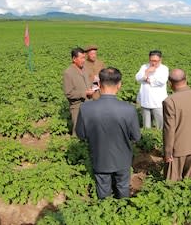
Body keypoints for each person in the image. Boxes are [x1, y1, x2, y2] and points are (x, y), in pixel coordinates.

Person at [76, 67, 140, 199]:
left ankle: (105, 211)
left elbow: (81, 134)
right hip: (122, 159)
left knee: (103, 187)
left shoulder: (85, 108)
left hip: (100, 157)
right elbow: (136, 136)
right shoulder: (129, 109)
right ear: (119, 85)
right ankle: (123, 212)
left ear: (98, 84)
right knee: (122, 187)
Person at [163, 69, 191, 181]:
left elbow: (169, 129)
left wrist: (168, 152)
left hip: (177, 149)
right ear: (186, 79)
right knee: (189, 179)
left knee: (172, 181)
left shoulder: (170, 101)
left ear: (169, 84)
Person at [63, 47, 94, 135]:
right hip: (77, 106)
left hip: (88, 103)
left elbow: (87, 82)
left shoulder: (84, 69)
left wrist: (94, 85)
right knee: (78, 130)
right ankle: (75, 147)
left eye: (84, 57)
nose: (84, 60)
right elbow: (68, 93)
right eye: (81, 58)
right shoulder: (68, 73)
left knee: (88, 129)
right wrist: (84, 93)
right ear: (74, 59)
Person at [135, 50, 169, 129]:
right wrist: (146, 72)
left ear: (160, 60)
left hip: (158, 101)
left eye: (156, 61)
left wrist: (148, 80)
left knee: (160, 124)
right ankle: (147, 136)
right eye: (151, 60)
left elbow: (162, 81)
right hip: (145, 99)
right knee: (146, 124)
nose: (153, 63)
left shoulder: (164, 68)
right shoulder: (144, 67)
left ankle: (160, 137)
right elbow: (137, 78)